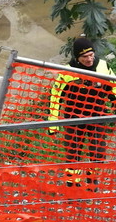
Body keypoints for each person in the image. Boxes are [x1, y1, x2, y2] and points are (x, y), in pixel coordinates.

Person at [49, 37, 116, 188]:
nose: (89, 59)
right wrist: (53, 124)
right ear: (77, 58)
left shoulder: (103, 67)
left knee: (98, 152)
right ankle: (73, 183)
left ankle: (92, 181)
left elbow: (113, 89)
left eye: (91, 55)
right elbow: (56, 95)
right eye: (85, 57)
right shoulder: (68, 71)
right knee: (73, 153)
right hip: (73, 119)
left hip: (97, 116)